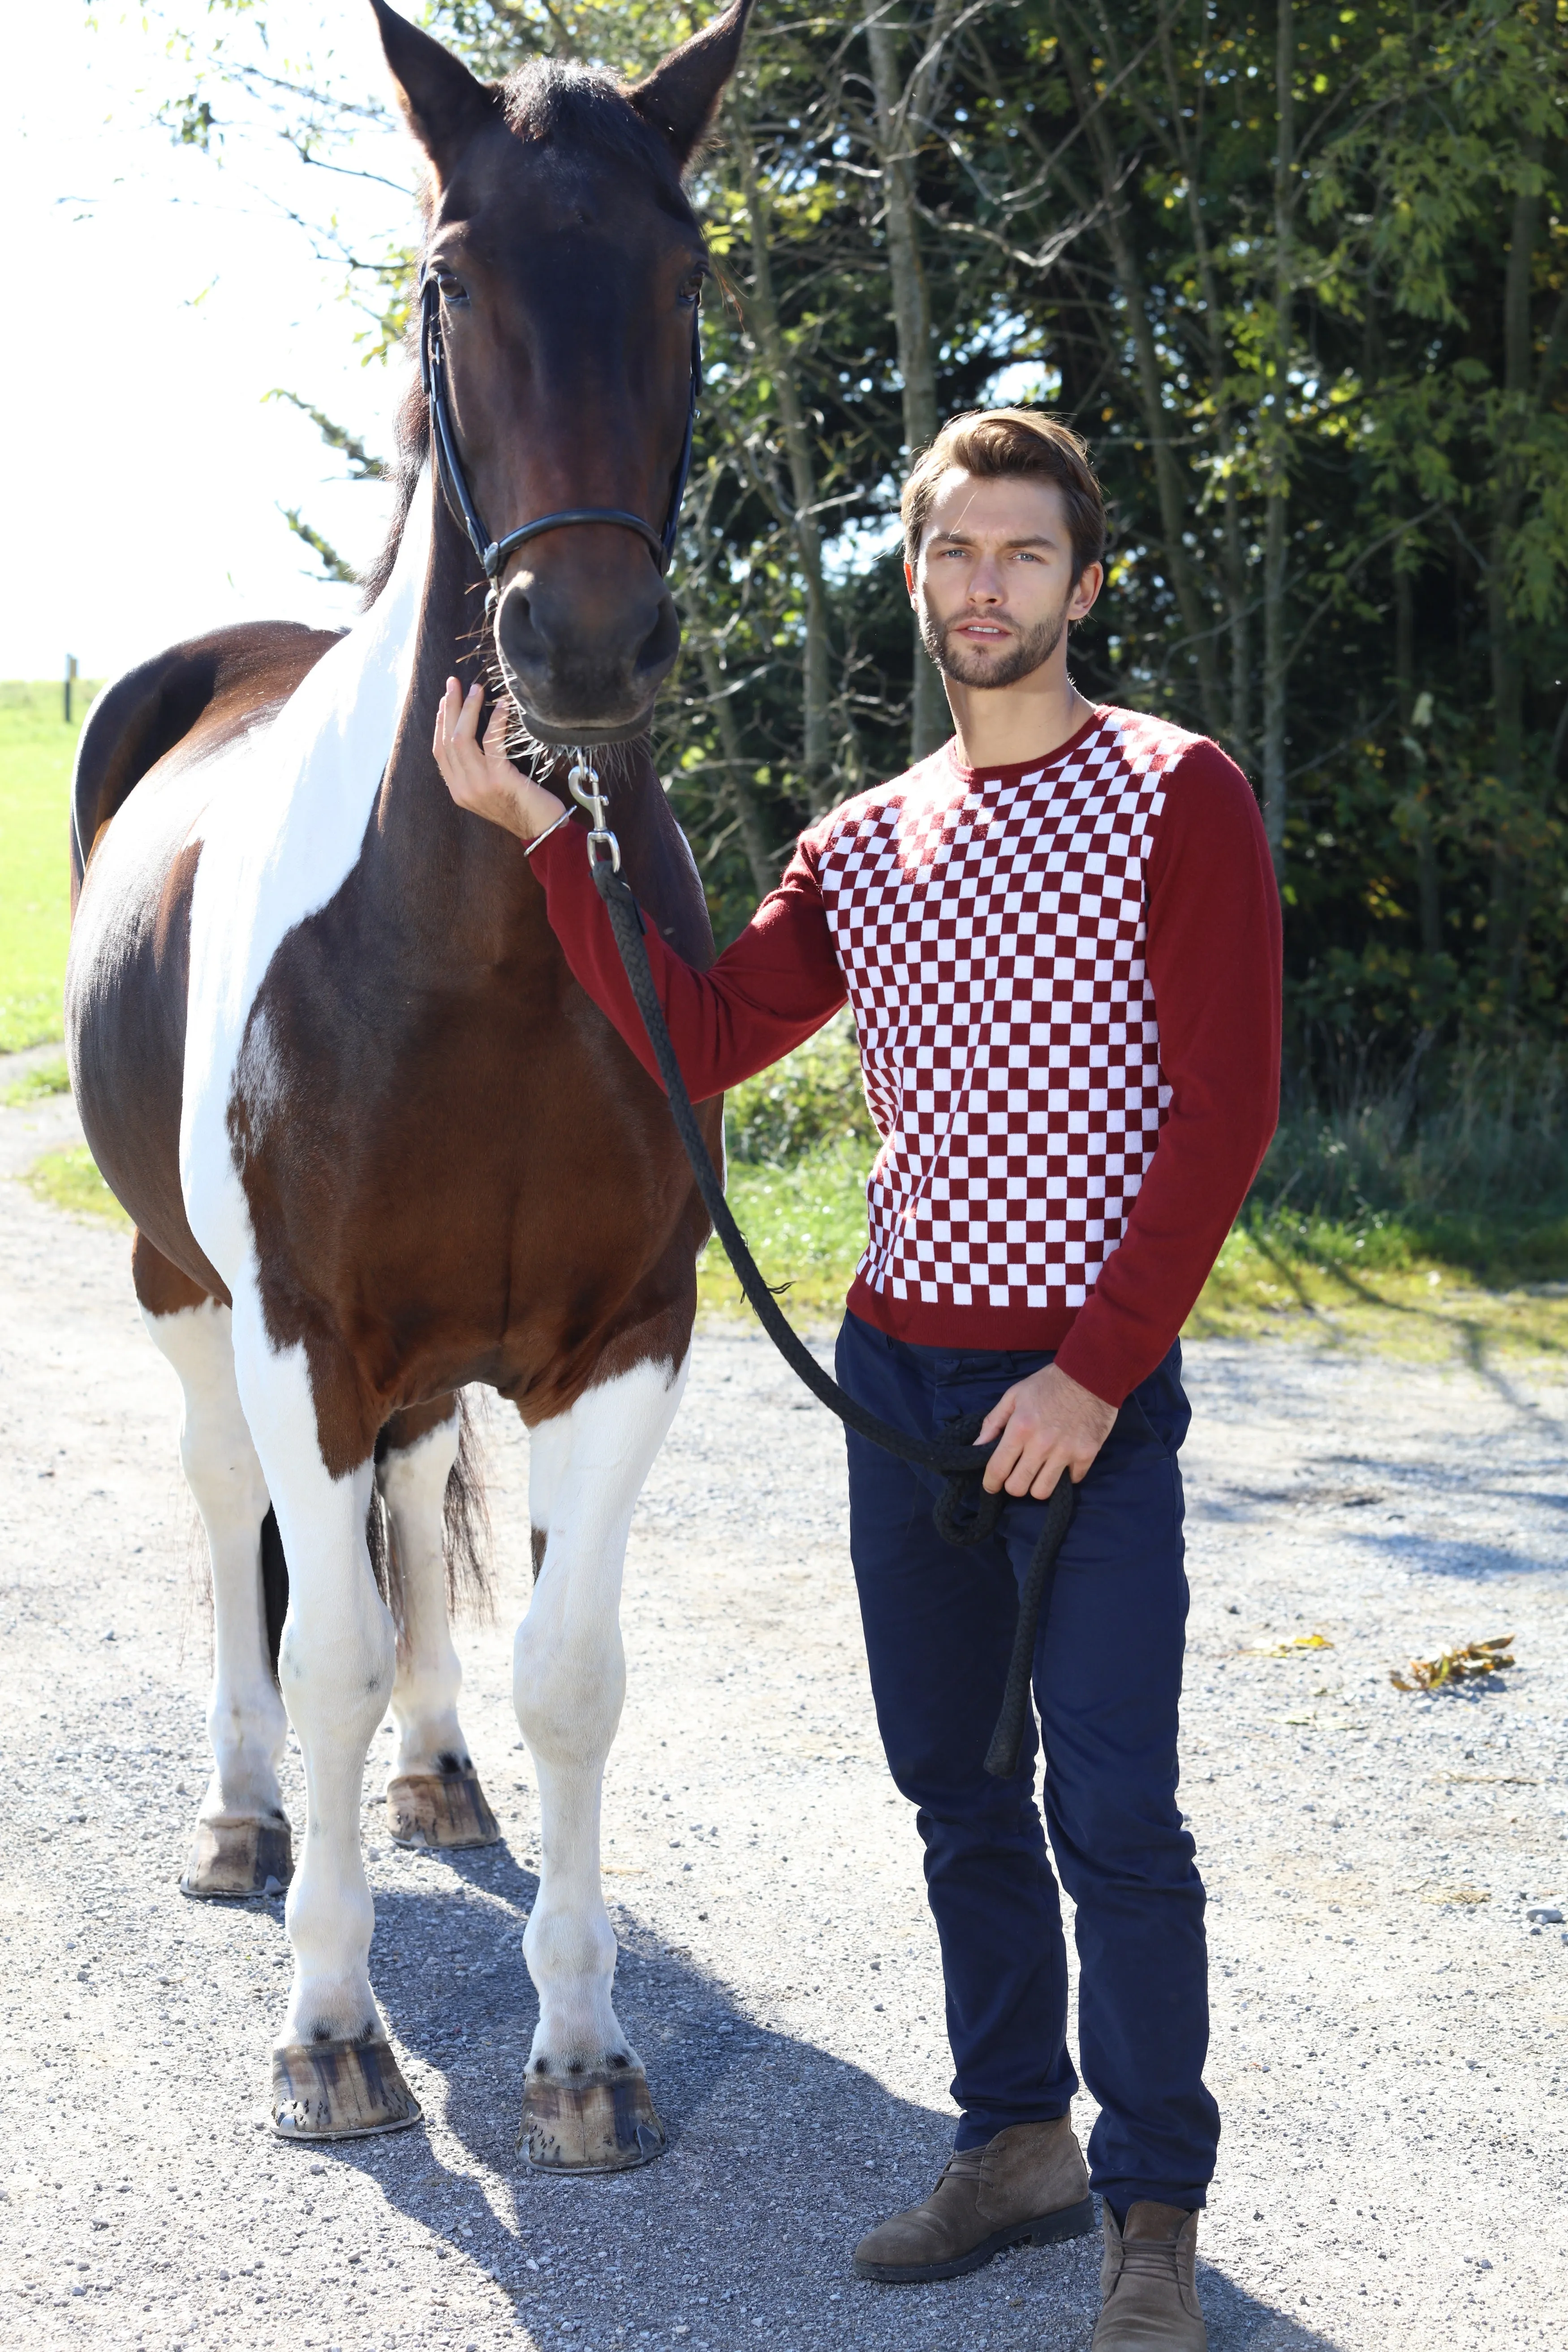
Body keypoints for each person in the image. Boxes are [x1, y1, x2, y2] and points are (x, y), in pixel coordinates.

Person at [434, 408, 1281, 2352]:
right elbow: (710, 1033)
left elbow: (1222, 1111)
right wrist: (549, 840)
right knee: (955, 1792)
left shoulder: (1177, 794)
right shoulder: (865, 839)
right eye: (953, 555)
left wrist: (1090, 1372)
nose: (985, 588)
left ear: (1080, 583)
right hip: (902, 1382)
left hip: (1080, 1397)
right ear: (911, 580)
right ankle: (1013, 2141)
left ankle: (1151, 2203)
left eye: (1022, 557)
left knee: (1118, 1811)